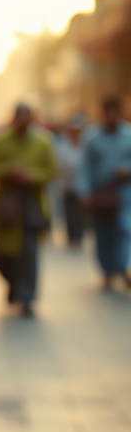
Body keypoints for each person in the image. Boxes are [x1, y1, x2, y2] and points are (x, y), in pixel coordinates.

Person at [0, 102, 57, 316]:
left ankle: (26, 297)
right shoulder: (0, 141)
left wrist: (32, 176)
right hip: (7, 206)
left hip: (32, 206)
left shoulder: (43, 142)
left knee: (29, 254)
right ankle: (14, 283)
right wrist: (8, 171)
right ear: (13, 119)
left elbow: (52, 170)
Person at [78, 96, 131, 288]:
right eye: (108, 112)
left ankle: (121, 267)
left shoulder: (129, 135)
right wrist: (84, 192)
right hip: (100, 194)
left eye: (115, 112)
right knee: (103, 234)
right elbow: (84, 168)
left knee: (124, 230)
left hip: (124, 193)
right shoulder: (91, 137)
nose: (111, 116)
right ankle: (107, 271)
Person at [54, 116, 87, 248]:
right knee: (69, 212)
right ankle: (71, 236)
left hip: (81, 187)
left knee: (80, 213)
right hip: (68, 186)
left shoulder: (85, 146)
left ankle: (78, 236)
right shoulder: (63, 147)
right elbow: (59, 168)